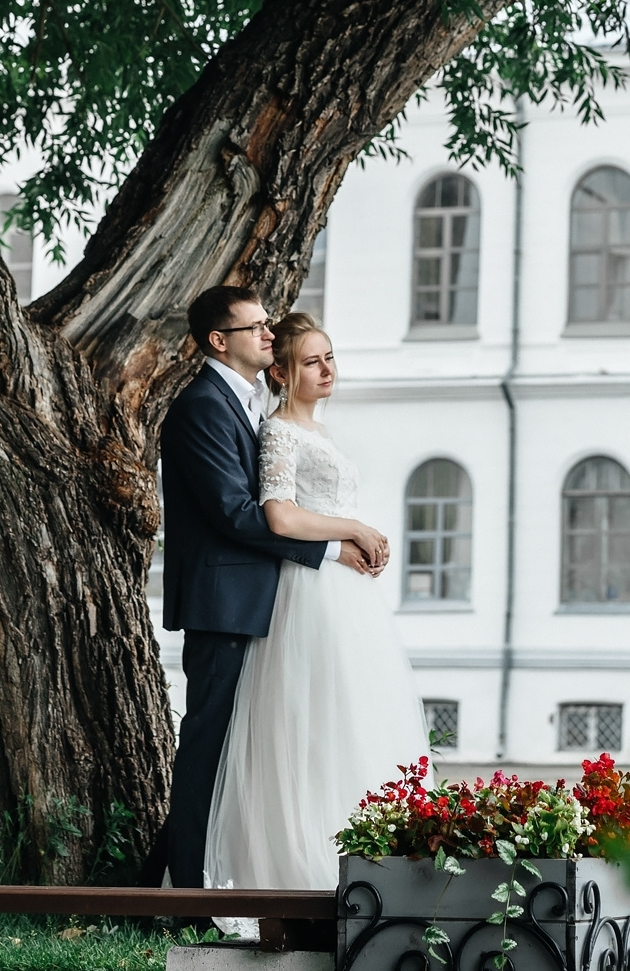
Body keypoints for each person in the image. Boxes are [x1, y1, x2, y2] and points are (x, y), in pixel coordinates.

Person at [152, 286, 390, 893]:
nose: (267, 332)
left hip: (265, 602)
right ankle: (185, 887)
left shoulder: (254, 403)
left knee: (247, 750)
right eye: (255, 326)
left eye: (267, 325)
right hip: (223, 604)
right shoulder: (202, 406)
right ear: (218, 340)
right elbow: (236, 514)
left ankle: (208, 872)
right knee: (208, 743)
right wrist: (333, 548)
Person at [205, 310, 428, 893]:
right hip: (309, 595)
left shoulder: (320, 430)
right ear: (281, 373)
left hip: (347, 597)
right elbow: (278, 514)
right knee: (314, 724)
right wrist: (349, 528)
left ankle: (378, 864)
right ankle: (308, 863)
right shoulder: (279, 431)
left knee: (355, 718)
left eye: (330, 357)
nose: (327, 368)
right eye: (312, 361)